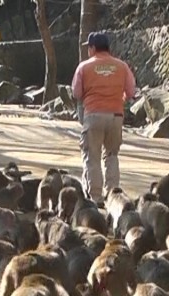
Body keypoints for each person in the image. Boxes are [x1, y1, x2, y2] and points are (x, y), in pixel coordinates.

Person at [71, 31, 136, 204]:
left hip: (93, 115)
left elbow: (76, 92)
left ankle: (95, 196)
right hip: (116, 115)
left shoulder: (84, 67)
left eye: (88, 48)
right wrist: (119, 99)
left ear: (92, 48)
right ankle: (113, 194)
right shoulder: (122, 66)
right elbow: (131, 92)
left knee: (92, 156)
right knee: (112, 155)